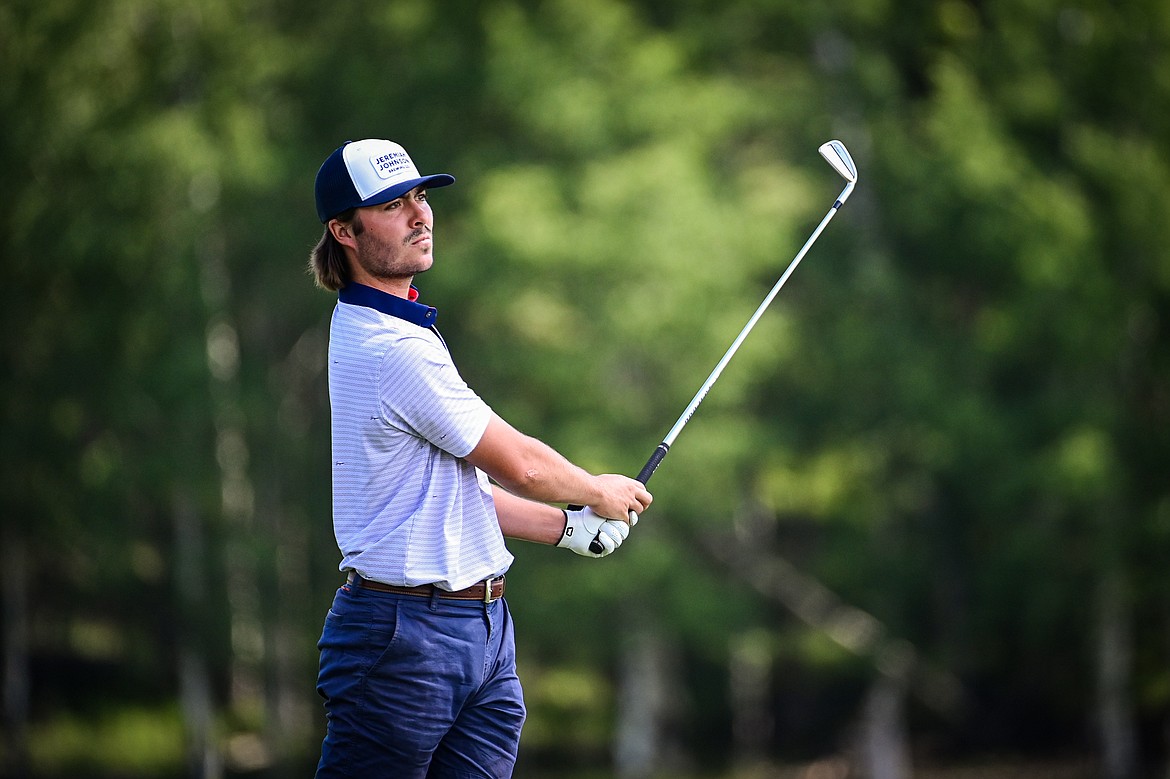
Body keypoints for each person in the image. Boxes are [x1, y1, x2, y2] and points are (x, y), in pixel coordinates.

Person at [308, 138, 652, 778]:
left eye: (419, 196)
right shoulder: (391, 347)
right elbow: (518, 463)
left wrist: (568, 529)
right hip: (403, 638)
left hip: (480, 632)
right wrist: (596, 490)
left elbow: (442, 496)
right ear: (343, 231)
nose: (419, 215)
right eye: (391, 205)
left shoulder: (401, 325)